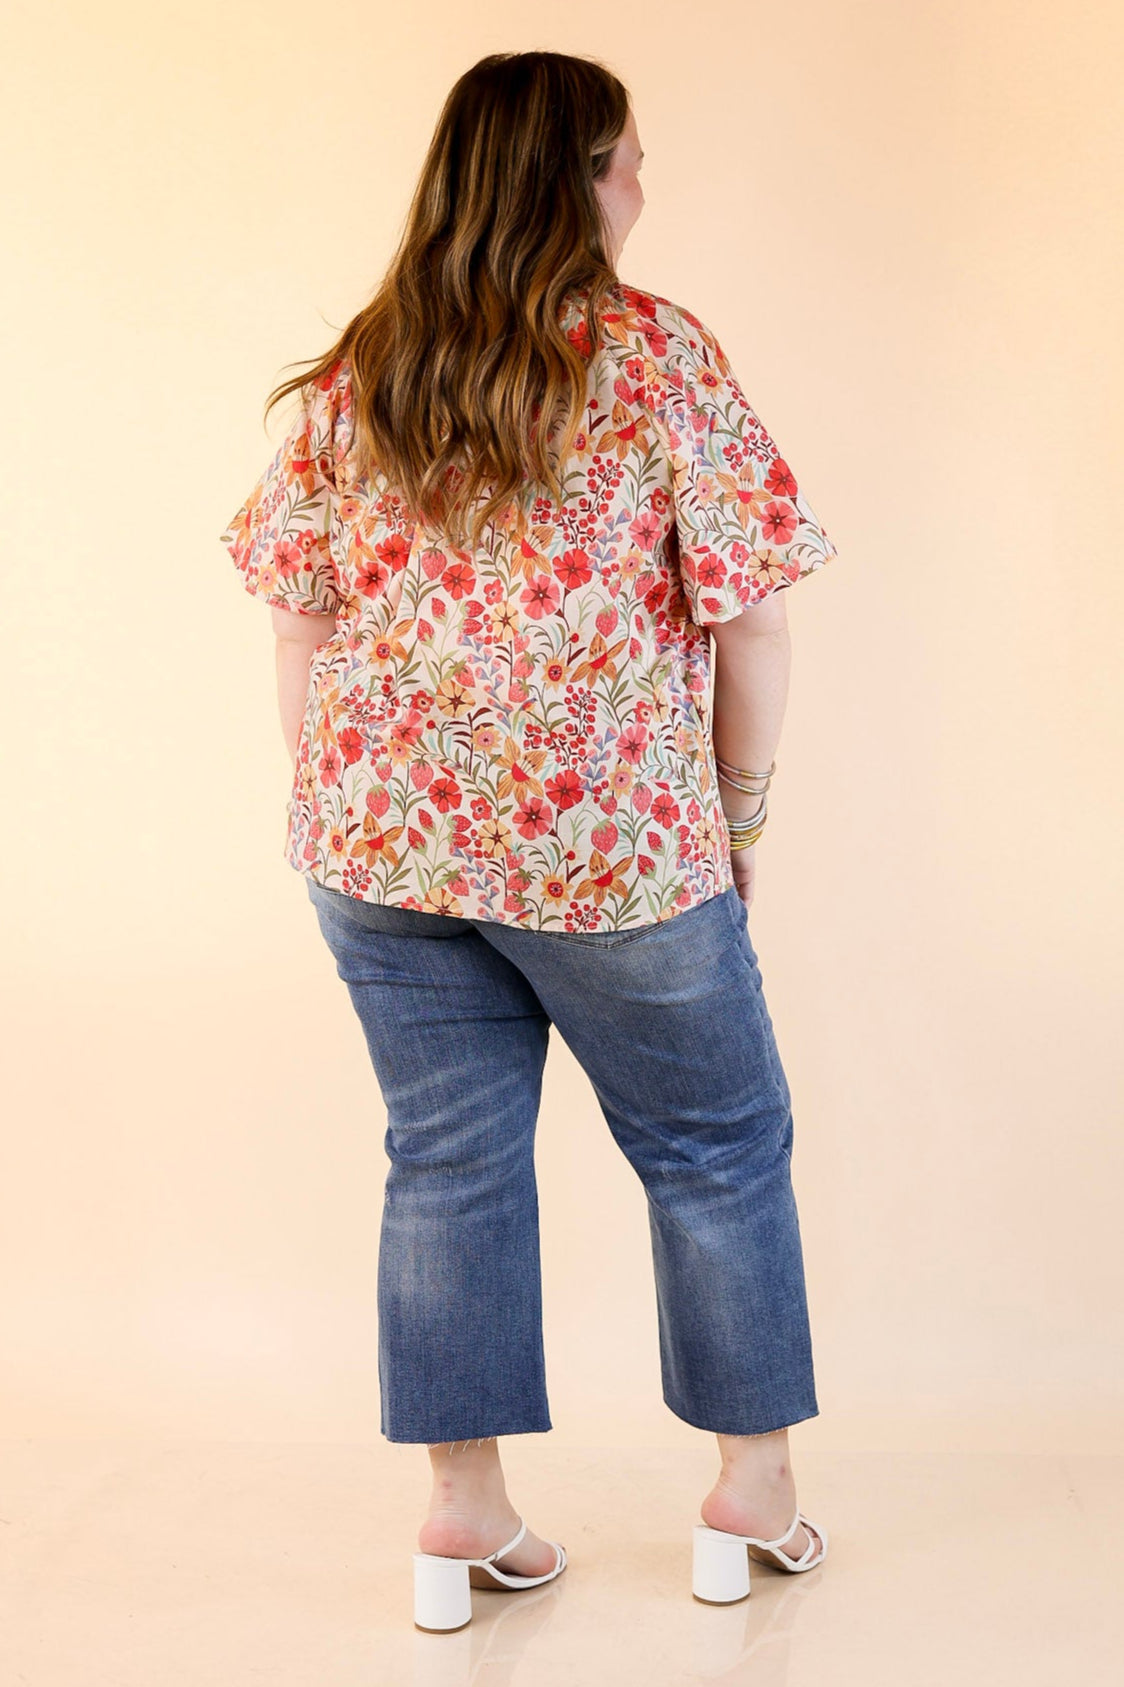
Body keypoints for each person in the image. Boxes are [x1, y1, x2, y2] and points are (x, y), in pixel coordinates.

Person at [220, 50, 838, 1628]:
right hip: (613, 855)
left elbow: (297, 622)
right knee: (715, 1147)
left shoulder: (360, 374)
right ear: (576, 183)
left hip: (381, 855)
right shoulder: (656, 358)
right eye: (627, 160)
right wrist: (740, 813)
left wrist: (357, 809)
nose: (643, 188)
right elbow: (754, 621)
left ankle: (464, 1514)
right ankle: (751, 1491)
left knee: (448, 1159)